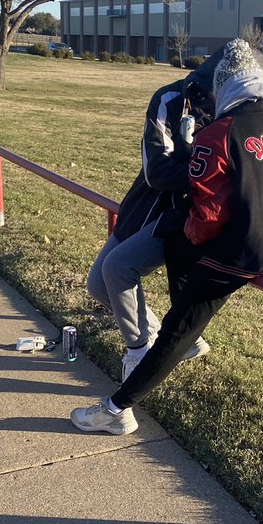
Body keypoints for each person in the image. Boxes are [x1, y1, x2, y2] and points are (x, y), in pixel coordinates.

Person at [71, 38, 263, 435]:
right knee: (108, 284)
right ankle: (151, 354)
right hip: (194, 222)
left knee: (174, 325)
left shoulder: (234, 127)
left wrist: (212, 178)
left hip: (222, 240)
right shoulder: (200, 107)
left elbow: (213, 210)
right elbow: (160, 173)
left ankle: (123, 394)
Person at [85, 48, 228, 382]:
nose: (205, 101)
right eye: (201, 91)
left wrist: (201, 170)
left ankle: (141, 354)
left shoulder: (242, 111)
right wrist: (207, 171)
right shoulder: (171, 98)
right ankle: (175, 340)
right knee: (98, 284)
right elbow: (157, 171)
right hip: (148, 205)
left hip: (192, 218)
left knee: (118, 270)